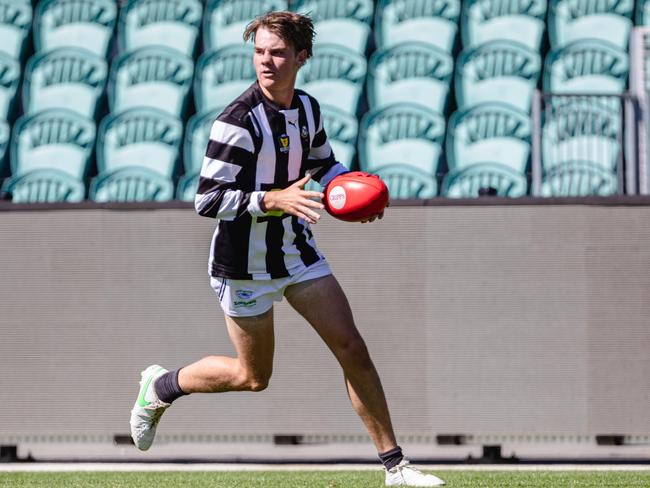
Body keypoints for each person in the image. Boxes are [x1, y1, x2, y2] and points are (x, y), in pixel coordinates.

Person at [129, 11, 445, 487]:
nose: (266, 61)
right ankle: (161, 387)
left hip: (297, 253)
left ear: (302, 56)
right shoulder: (235, 123)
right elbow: (207, 200)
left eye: (277, 52)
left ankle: (396, 468)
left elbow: (323, 164)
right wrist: (272, 198)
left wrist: (356, 192)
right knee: (252, 377)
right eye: (259, 52)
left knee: (352, 347)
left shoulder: (308, 109)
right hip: (243, 265)